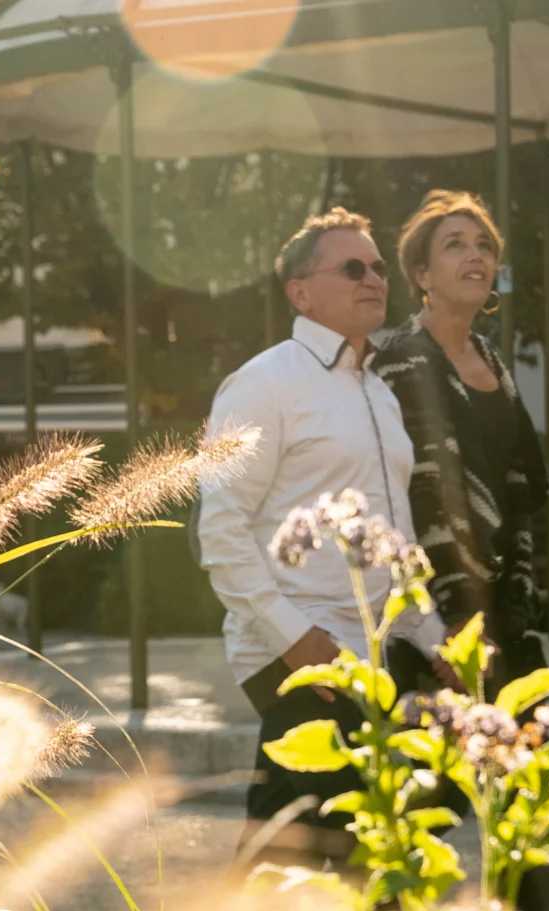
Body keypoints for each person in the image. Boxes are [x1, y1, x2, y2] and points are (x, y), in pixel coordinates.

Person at [197, 207, 449, 869]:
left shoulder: (380, 395)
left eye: (377, 267)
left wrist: (433, 637)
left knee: (331, 852)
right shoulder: (263, 384)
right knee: (329, 854)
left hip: (377, 655)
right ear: (300, 292)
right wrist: (297, 640)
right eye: (352, 268)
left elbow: (398, 537)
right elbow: (220, 531)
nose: (374, 278)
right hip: (299, 655)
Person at [372, 189, 549, 911]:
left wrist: (509, 603)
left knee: (528, 810)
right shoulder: (394, 357)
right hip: (431, 624)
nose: (476, 255)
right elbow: (409, 495)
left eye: (484, 244)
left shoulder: (493, 363)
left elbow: (520, 490)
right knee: (427, 814)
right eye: (455, 244)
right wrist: (449, 620)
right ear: (420, 271)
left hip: (507, 617)